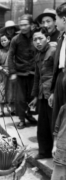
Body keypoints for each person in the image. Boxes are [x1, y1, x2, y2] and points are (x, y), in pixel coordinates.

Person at [29, 27, 56, 159]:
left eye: (41, 38)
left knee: (54, 125)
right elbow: (37, 77)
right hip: (42, 96)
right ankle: (44, 152)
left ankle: (59, 156)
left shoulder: (54, 52)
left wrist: (54, 93)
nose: (38, 42)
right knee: (43, 125)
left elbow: (58, 74)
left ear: (48, 39)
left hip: (52, 95)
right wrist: (35, 96)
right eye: (35, 39)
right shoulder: (38, 55)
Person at [8, 14, 37, 129]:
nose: (23, 27)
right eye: (21, 25)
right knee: (20, 99)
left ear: (31, 25)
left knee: (32, 97)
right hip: (20, 73)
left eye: (25, 25)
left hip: (33, 73)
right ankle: (21, 119)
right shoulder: (16, 39)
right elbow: (10, 56)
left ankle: (29, 115)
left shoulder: (36, 37)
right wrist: (13, 72)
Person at [49, 2, 66, 132]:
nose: (55, 23)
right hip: (60, 78)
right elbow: (56, 67)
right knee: (58, 119)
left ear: (64, 19)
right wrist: (53, 91)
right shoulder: (61, 38)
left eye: (56, 19)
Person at [0, 34, 15, 117]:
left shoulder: (13, 51)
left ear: (9, 40)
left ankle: (13, 110)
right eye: (1, 41)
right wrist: (2, 69)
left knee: (12, 91)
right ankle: (2, 111)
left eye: (5, 40)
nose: (3, 42)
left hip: (12, 73)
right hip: (2, 74)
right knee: (1, 91)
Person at [51, 103, 66, 180]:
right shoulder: (64, 108)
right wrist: (54, 145)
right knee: (58, 179)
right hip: (62, 150)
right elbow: (56, 129)